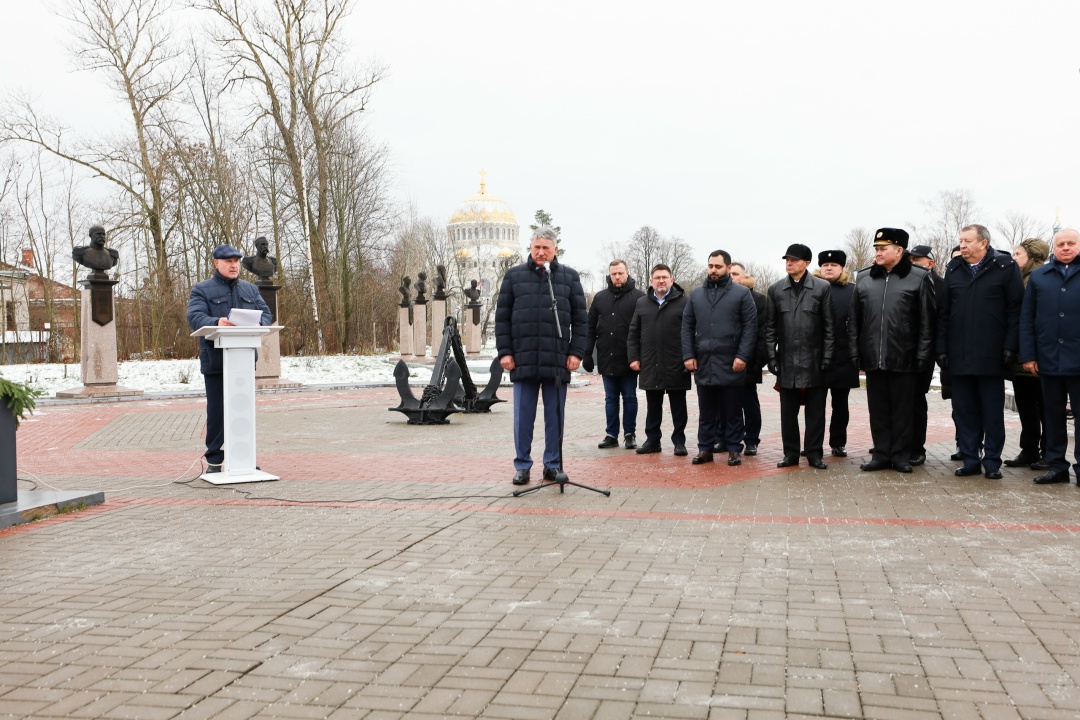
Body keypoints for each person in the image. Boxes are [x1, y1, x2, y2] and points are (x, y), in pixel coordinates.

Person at [495, 227, 588, 486]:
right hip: (523, 360)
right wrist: (505, 352)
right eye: (536, 247)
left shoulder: (569, 278)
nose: (540, 252)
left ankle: (552, 465)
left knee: (554, 417)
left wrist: (576, 352)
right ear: (530, 247)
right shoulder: (514, 277)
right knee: (523, 418)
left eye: (546, 247)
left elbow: (581, 320)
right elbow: (502, 318)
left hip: (557, 361)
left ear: (555, 250)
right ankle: (522, 465)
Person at [936, 225, 1023, 479]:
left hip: (992, 354)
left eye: (967, 241)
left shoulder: (1005, 267)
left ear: (983, 243)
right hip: (959, 355)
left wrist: (1010, 346)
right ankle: (970, 458)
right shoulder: (953, 268)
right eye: (960, 241)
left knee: (991, 412)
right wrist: (941, 348)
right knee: (964, 411)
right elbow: (944, 313)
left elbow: (1015, 310)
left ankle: (992, 462)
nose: (962, 245)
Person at [849, 228, 935, 474]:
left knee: (902, 410)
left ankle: (900, 455)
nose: (878, 253)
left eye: (883, 248)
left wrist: (922, 354)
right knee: (878, 410)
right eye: (876, 248)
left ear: (899, 251)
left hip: (904, 356)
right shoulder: (865, 278)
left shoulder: (919, 277)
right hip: (873, 357)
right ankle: (881, 454)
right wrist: (855, 351)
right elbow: (855, 319)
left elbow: (927, 321)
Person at [187, 244, 273, 473]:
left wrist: (260, 323)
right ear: (217, 263)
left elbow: (266, 314)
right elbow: (195, 317)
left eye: (236, 261)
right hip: (216, 362)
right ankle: (214, 460)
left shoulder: (250, 290)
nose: (234, 265)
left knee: (242, 409)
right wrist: (216, 322)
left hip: (243, 362)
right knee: (217, 412)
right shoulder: (202, 289)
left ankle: (242, 457)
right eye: (228, 261)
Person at [681, 250, 757, 466]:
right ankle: (705, 449)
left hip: (731, 361)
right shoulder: (696, 294)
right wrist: (688, 354)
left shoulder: (742, 294)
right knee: (706, 411)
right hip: (704, 361)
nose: (713, 270)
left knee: (732, 410)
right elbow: (687, 326)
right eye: (710, 266)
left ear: (727, 267)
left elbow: (750, 328)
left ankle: (734, 449)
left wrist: (742, 355)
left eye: (718, 266)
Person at [764, 243, 835, 469]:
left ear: (806, 263)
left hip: (814, 361)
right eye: (787, 259)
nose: (789, 263)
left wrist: (827, 357)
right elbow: (770, 329)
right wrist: (772, 358)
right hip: (786, 361)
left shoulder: (822, 288)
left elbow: (830, 327)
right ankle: (791, 454)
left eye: (794, 260)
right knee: (788, 413)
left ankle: (814, 453)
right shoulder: (775, 290)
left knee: (816, 413)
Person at [1019, 228, 1080, 484]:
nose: (1065, 248)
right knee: (1053, 417)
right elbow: (1027, 318)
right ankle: (1057, 466)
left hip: (1078, 360)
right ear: (1054, 248)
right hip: (1048, 359)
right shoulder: (1040, 276)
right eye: (1061, 244)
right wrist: (1029, 355)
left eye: (1071, 243)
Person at [627, 264, 691, 457]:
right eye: (657, 277)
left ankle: (679, 441)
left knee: (678, 406)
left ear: (672, 280)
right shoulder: (642, 303)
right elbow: (633, 333)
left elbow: (690, 332)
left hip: (676, 363)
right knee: (653, 406)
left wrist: (689, 357)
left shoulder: (684, 302)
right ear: (651, 281)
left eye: (664, 277)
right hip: (650, 363)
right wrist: (633, 357)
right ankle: (652, 440)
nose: (661, 280)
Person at [584, 260, 645, 449]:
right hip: (606, 356)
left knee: (629, 397)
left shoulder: (639, 297)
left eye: (620, 273)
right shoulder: (600, 298)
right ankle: (611, 434)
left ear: (627, 273)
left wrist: (641, 356)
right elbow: (590, 327)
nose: (617, 277)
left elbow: (644, 329)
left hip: (629, 358)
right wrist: (587, 353)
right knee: (610, 399)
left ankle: (630, 434)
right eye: (613, 274)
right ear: (609, 275)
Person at [1005, 237, 1050, 470]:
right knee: (1026, 406)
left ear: (1031, 257)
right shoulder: (1019, 279)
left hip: (1038, 357)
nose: (1014, 258)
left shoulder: (1040, 279)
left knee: (1044, 407)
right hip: (1021, 357)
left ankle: (1047, 453)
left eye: (1018, 254)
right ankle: (1030, 450)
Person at [814, 250, 858, 457]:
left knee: (840, 405)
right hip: (816, 357)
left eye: (833, 265)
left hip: (843, 356)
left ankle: (838, 442)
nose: (829, 268)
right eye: (825, 265)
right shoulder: (811, 289)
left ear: (842, 268)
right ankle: (813, 444)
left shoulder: (853, 291)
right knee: (815, 405)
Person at [907, 245, 945, 465]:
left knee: (916, 400)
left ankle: (916, 447)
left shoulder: (940, 286)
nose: (912, 263)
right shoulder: (904, 281)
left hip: (925, 351)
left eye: (917, 260)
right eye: (910, 259)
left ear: (930, 263)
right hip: (903, 351)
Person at [729, 263, 767, 455]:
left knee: (749, 403)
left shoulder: (759, 300)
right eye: (729, 274)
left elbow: (763, 334)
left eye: (735, 274)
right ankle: (726, 438)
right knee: (726, 404)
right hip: (724, 363)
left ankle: (751, 439)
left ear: (744, 277)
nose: (732, 277)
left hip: (749, 363)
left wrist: (757, 361)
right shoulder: (720, 298)